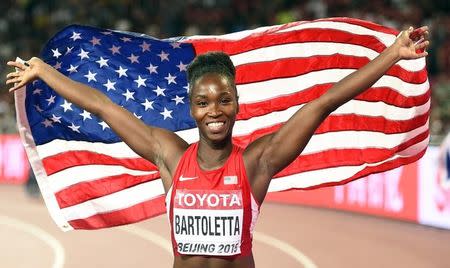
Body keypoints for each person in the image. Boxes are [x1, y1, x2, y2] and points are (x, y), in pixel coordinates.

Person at [6, 26, 429, 268]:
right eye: (204, 102)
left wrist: (392, 54)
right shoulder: (169, 155)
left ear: (237, 105)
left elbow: (324, 103)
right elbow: (103, 105)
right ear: (191, 108)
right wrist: (44, 71)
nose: (215, 111)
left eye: (224, 100)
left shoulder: (257, 162)